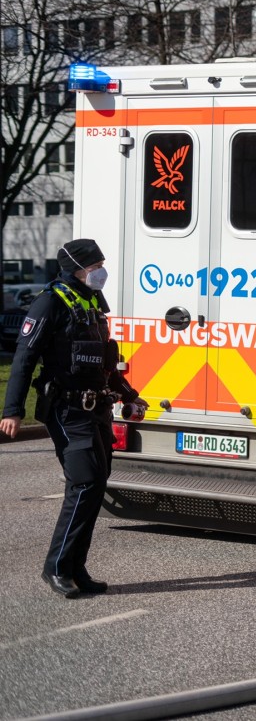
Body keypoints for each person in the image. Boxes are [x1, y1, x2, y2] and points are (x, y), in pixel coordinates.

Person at [0, 239, 147, 598]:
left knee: (94, 486)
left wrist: (129, 395)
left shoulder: (92, 302)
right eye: (95, 264)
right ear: (76, 268)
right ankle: (56, 567)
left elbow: (102, 360)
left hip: (95, 408)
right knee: (85, 483)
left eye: (101, 264)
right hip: (66, 409)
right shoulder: (50, 301)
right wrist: (12, 410)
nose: (101, 271)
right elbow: (23, 357)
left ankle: (76, 567)